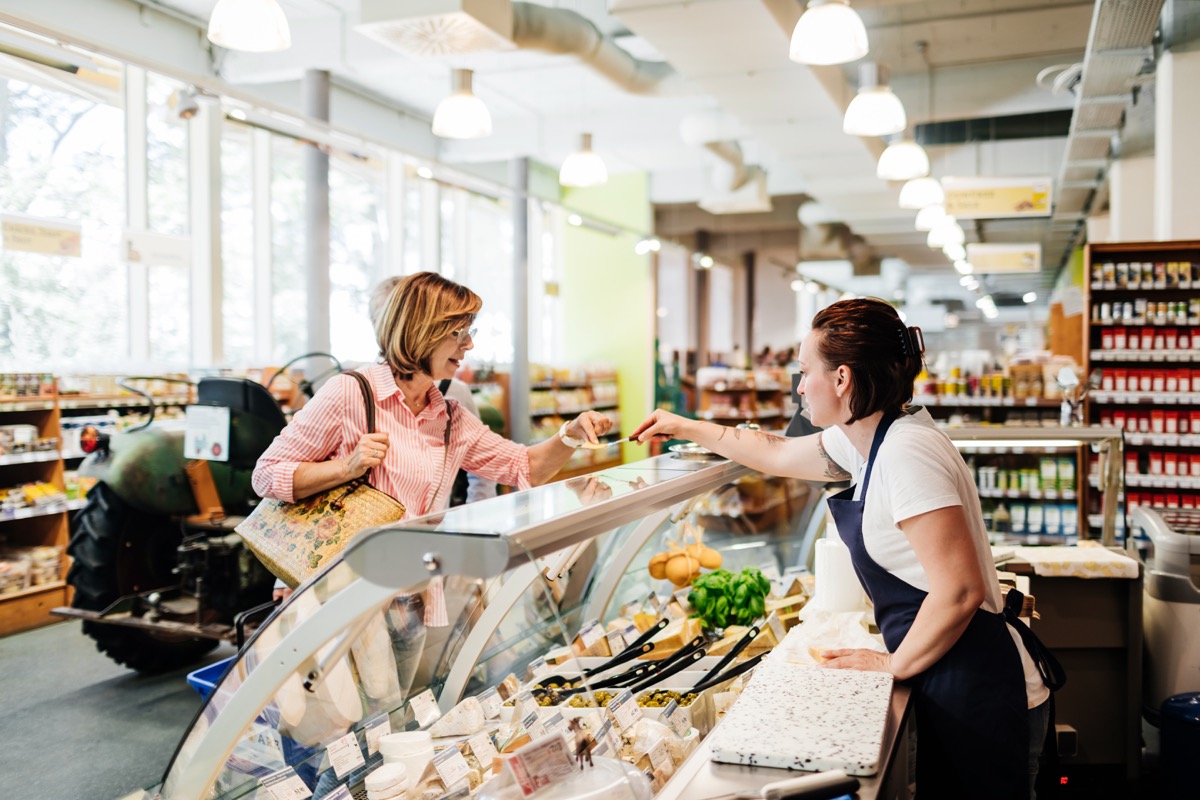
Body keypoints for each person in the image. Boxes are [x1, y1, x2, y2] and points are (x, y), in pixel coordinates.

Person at [631, 297, 1056, 800]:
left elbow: (960, 590)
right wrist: (687, 426)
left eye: (804, 371)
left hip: (979, 686)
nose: (798, 385)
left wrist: (893, 665)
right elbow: (779, 454)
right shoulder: (870, 438)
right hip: (949, 671)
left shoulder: (904, 452)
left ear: (841, 379)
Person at [252, 271, 613, 619]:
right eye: (459, 332)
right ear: (422, 331)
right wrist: (347, 468)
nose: (469, 344)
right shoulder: (351, 393)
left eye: (470, 332)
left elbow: (525, 467)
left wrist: (571, 434)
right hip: (345, 597)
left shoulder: (449, 416)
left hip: (412, 597)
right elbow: (266, 475)